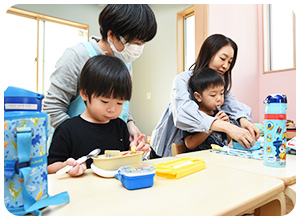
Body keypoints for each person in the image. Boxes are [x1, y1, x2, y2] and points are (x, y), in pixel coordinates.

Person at [43, 4, 157, 150]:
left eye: (142, 43)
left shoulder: (126, 62)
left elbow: (121, 102)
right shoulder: (76, 56)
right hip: (74, 153)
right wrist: (79, 138)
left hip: (110, 150)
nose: (138, 48)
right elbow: (53, 107)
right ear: (111, 35)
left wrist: (130, 125)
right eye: (135, 42)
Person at [150, 34, 260, 158]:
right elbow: (183, 112)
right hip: (167, 148)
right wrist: (227, 127)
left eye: (230, 62)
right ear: (208, 53)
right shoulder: (183, 79)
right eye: (222, 58)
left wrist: (244, 122)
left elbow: (233, 105)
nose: (226, 66)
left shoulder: (219, 86)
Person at [48, 55, 150, 176]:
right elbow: (49, 167)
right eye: (105, 102)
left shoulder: (120, 126)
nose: (112, 109)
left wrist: (135, 152)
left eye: (119, 103)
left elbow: (122, 162)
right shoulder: (67, 129)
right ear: (85, 94)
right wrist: (66, 166)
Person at [182, 67, 232, 152]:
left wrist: (227, 126)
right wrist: (211, 125)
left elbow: (227, 140)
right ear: (198, 96)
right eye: (213, 95)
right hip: (199, 161)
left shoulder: (218, 113)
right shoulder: (193, 115)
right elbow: (190, 144)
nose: (219, 98)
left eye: (221, 93)